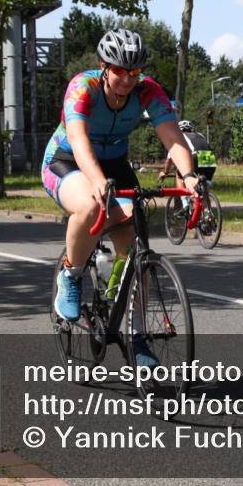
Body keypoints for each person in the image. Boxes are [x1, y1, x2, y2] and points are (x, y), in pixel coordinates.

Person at [43, 28, 199, 365]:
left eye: (134, 72)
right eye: (119, 71)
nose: (128, 79)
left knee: (136, 247)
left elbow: (173, 139)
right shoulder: (82, 88)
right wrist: (96, 180)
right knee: (88, 204)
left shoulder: (148, 91)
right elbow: (79, 139)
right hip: (67, 160)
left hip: (115, 163)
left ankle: (135, 333)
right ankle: (70, 277)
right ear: (103, 65)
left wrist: (188, 177)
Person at [158, 120, 217, 205]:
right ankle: (207, 212)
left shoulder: (179, 137)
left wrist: (165, 172)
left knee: (178, 174)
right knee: (204, 185)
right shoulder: (200, 135)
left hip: (195, 156)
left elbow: (169, 160)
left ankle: (184, 201)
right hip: (209, 157)